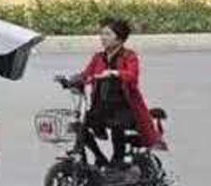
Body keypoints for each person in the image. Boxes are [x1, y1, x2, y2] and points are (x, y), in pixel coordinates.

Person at [61, 17, 161, 170]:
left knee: (117, 126)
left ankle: (118, 160)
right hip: (102, 107)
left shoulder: (129, 56)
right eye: (102, 34)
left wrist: (115, 73)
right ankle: (100, 158)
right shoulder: (98, 57)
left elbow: (132, 75)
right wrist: (70, 80)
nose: (103, 37)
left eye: (108, 34)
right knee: (79, 127)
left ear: (119, 38)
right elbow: (86, 74)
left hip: (125, 107)